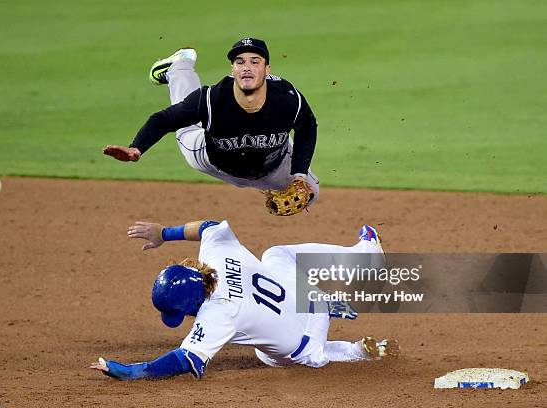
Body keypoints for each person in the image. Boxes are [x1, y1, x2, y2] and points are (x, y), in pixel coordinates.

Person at [89, 220, 400, 380]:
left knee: (274, 354)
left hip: (307, 346)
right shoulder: (217, 257)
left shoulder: (217, 316)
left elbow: (182, 360)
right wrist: (164, 232)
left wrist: (128, 371)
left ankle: (355, 351)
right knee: (276, 255)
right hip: (307, 299)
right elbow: (210, 226)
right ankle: (364, 257)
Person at [102, 38, 320, 214]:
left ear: (267, 69)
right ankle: (179, 66)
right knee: (186, 121)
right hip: (210, 160)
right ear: (232, 69)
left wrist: (299, 174)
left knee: (311, 193)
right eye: (240, 62)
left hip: (275, 166)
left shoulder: (288, 99)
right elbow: (164, 120)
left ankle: (297, 175)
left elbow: (307, 127)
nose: (247, 67)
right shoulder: (211, 99)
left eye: (255, 62)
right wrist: (136, 148)